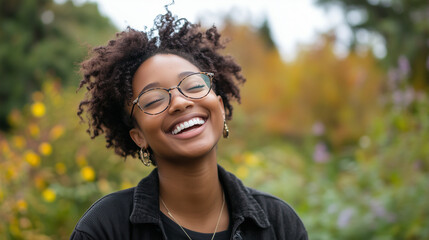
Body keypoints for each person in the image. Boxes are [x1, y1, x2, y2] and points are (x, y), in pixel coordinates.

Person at [70, 8, 308, 240]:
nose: (180, 102)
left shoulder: (279, 224)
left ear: (220, 106)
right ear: (138, 136)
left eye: (194, 86)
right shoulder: (103, 229)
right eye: (154, 99)